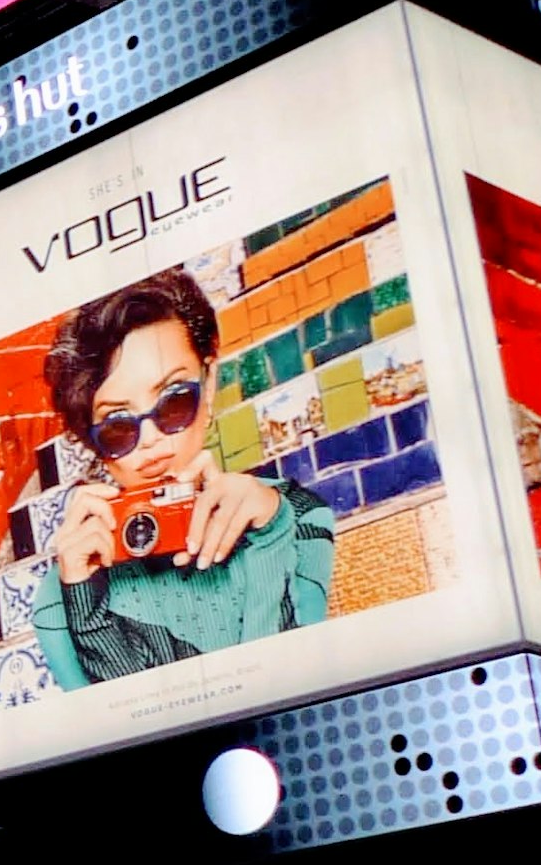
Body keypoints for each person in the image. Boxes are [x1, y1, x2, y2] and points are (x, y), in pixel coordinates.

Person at [35, 269, 333, 689]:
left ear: (208, 385)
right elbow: (138, 739)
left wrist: (270, 535)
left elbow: (285, 696)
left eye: (174, 401)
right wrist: (86, 610)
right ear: (91, 439)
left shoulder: (298, 517)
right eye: (118, 427)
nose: (154, 442)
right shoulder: (59, 596)